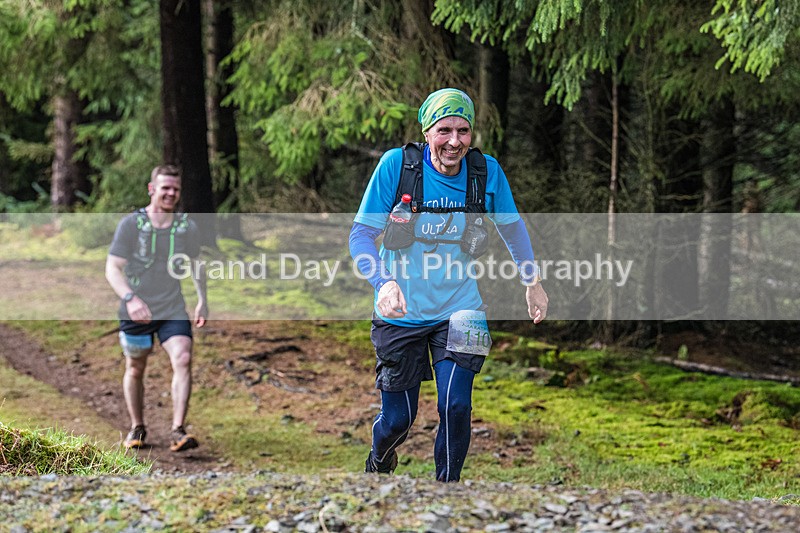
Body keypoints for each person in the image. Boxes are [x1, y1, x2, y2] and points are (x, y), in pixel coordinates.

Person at [349, 88, 548, 482]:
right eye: (444, 130)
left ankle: (448, 491)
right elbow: (361, 235)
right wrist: (382, 282)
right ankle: (379, 460)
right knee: (398, 421)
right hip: (400, 313)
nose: (454, 141)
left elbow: (512, 227)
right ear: (427, 132)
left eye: (463, 130)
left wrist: (533, 281)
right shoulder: (397, 167)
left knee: (456, 405)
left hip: (463, 308)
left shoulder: (485, 172)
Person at [105, 164, 208, 452]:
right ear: (152, 189)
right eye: (165, 188)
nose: (171, 193)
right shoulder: (131, 225)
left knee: (183, 357)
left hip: (172, 307)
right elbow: (112, 268)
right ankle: (137, 426)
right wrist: (130, 299)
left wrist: (203, 300)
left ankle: (178, 430)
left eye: (175, 189)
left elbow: (196, 264)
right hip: (136, 309)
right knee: (136, 367)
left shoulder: (186, 227)